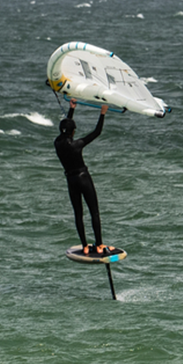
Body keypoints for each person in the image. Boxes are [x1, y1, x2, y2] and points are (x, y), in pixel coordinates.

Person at [55, 100, 111, 256]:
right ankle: (99, 244)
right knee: (94, 211)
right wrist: (102, 113)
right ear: (73, 132)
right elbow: (96, 132)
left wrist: (71, 109)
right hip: (83, 178)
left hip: (70, 181)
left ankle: (85, 246)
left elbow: (66, 130)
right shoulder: (76, 145)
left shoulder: (57, 143)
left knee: (78, 213)